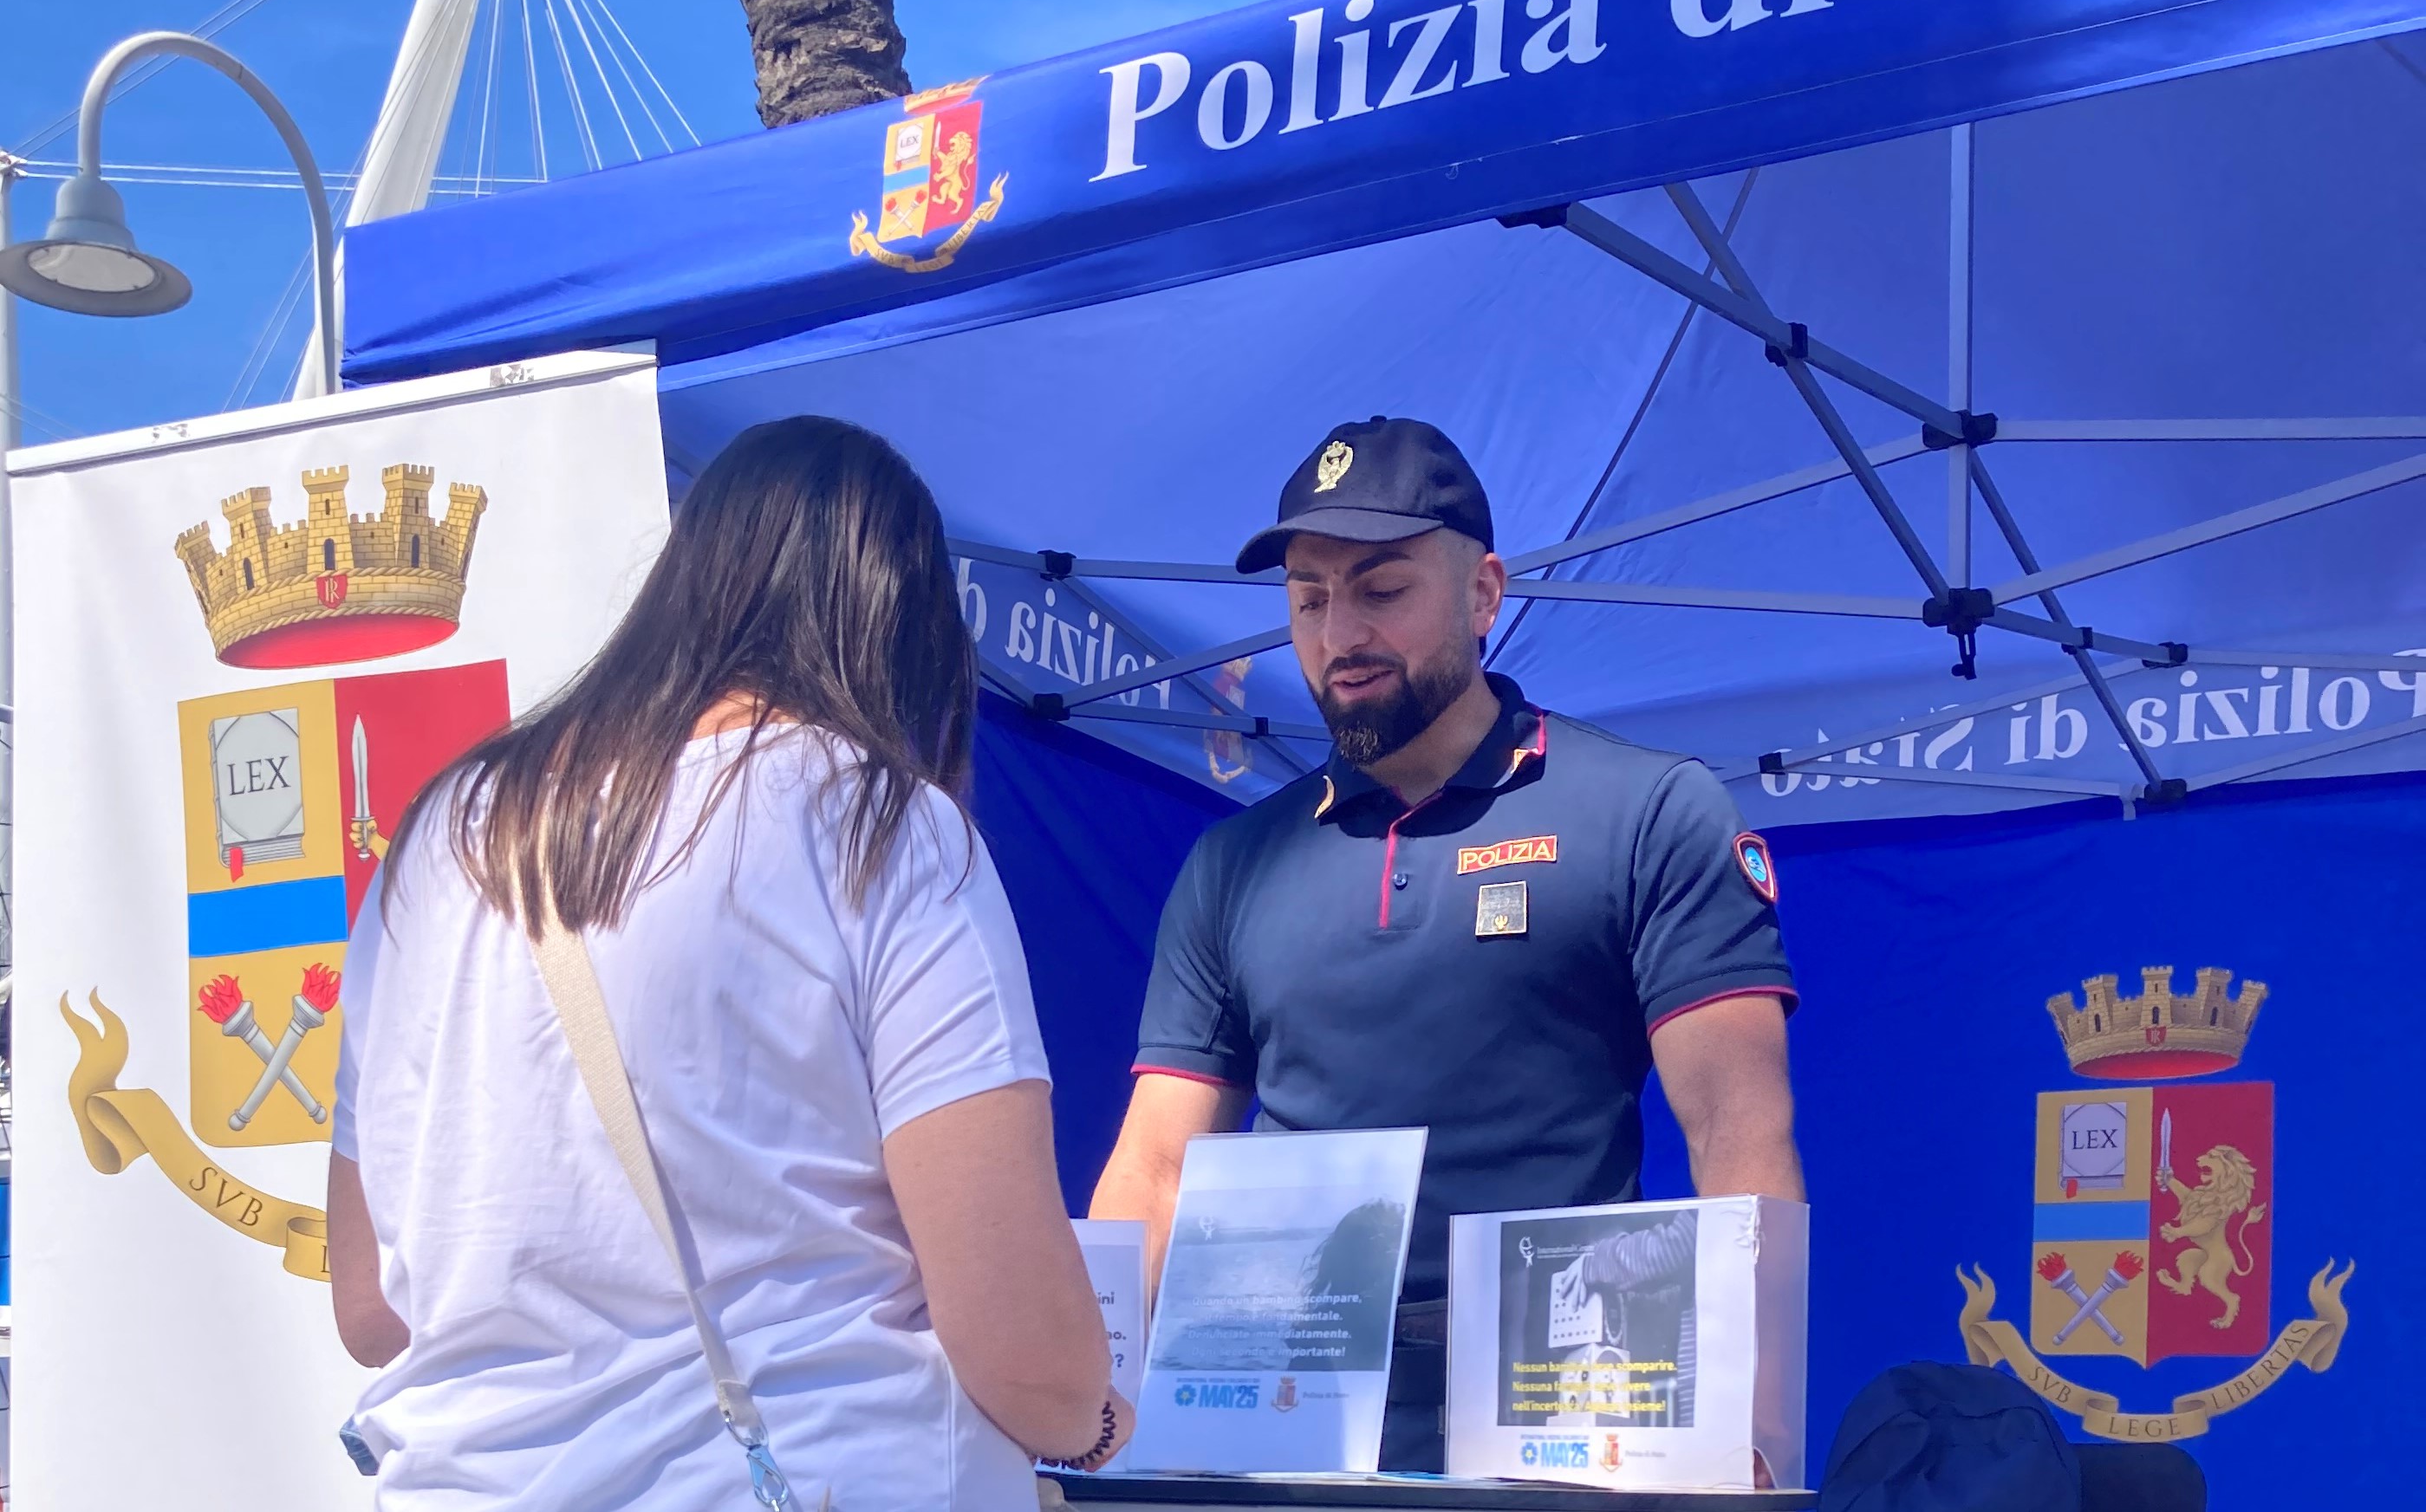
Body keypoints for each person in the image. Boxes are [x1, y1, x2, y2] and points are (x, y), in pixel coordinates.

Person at [327, 415, 1131, 1509]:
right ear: (905, 632)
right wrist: (1093, 1421)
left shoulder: (443, 836)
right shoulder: (879, 822)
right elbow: (1020, 1343)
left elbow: (369, 1302)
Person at [1089, 416, 1800, 1471]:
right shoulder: (1233, 864)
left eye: (1381, 591)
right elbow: (1152, 1171)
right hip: (1280, 1422)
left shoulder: (1649, 810)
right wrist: (1093, 1417)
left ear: (1482, 593)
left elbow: (1740, 1138)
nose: (1339, 636)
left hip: (1561, 1418)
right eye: (1309, 599)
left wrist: (1754, 1439)